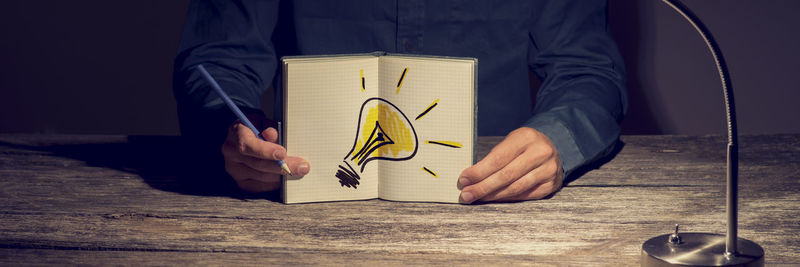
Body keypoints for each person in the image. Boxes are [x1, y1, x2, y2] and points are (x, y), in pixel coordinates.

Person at [173, 0, 627, 203]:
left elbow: (587, 69)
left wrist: (556, 139)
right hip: (301, 200)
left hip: (488, 199)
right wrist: (237, 129)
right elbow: (217, 56)